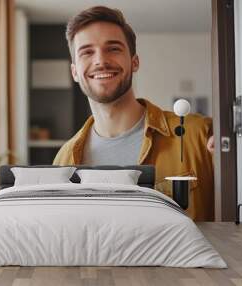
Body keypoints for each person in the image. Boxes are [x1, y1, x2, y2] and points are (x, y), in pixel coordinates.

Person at [53, 6, 214, 221]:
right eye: (87, 52)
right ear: (74, 71)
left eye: (113, 48)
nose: (100, 60)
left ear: (134, 62)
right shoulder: (63, 160)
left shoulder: (199, 135)